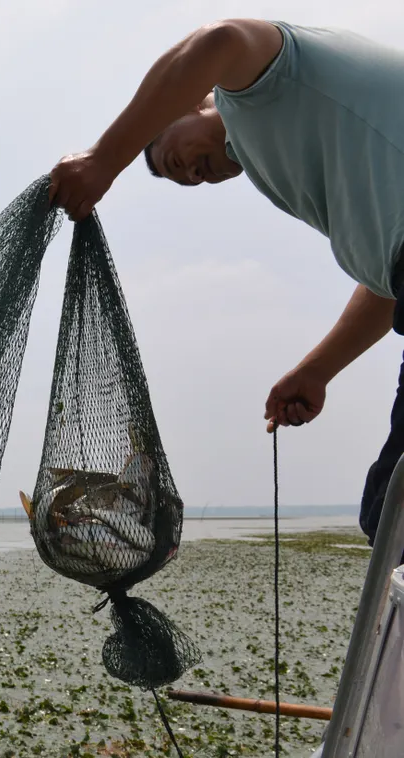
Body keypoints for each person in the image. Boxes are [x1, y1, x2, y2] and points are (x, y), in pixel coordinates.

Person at [48, 18, 404, 548]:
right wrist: (316, 369)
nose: (191, 176)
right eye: (185, 182)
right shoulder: (285, 156)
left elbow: (220, 41)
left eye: (175, 159)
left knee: (395, 518)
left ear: (191, 103)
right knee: (388, 511)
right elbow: (388, 281)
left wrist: (105, 159)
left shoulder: (257, 85)